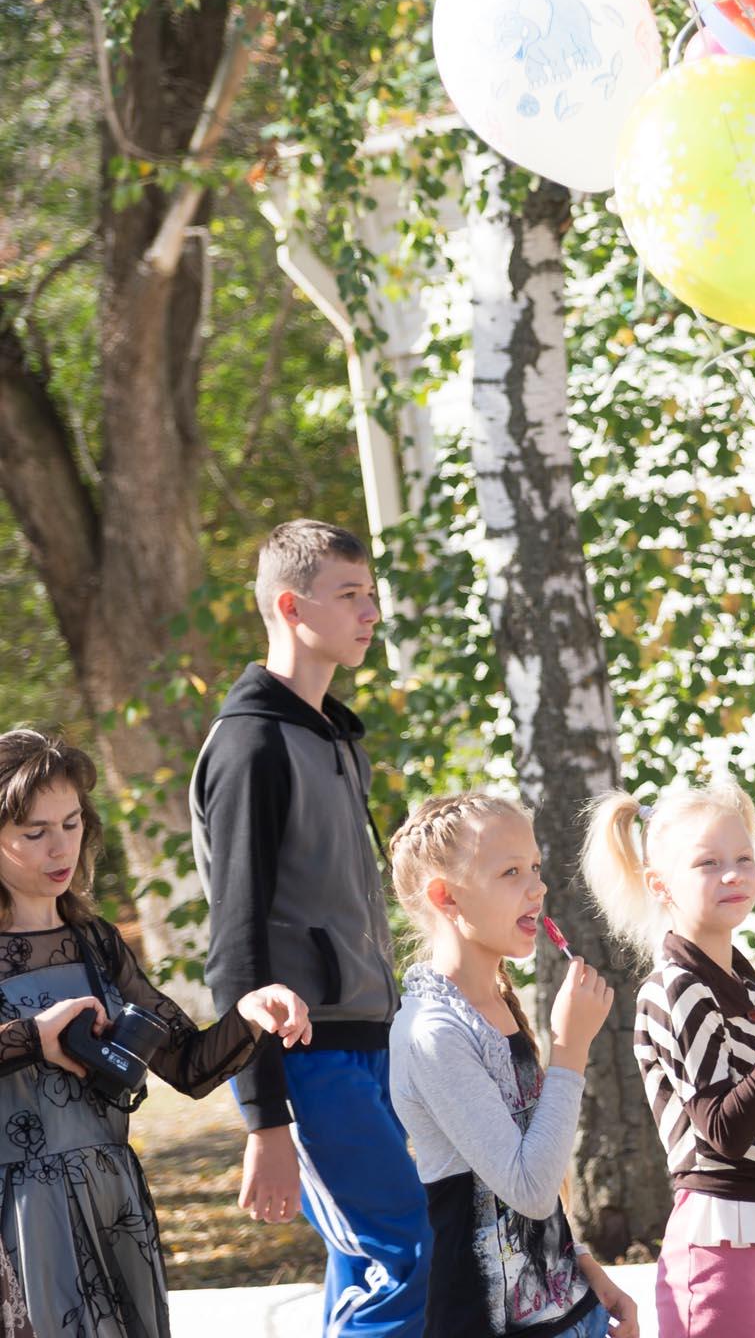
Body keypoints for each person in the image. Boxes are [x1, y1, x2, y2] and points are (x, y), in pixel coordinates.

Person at [188, 519, 429, 1337]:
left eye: (372, 595)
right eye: (351, 596)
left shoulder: (334, 737)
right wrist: (265, 1121)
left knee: (370, 1257)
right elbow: (236, 944)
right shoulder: (251, 746)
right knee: (401, 1250)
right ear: (292, 608)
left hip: (372, 1037)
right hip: (307, 1055)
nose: (371, 613)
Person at [0, 729, 311, 1338]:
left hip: (114, 1202)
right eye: (34, 833)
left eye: (71, 823)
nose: (60, 847)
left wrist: (249, 1011)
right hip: (16, 1216)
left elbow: (190, 1067)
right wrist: (35, 1036)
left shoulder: (98, 943)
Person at [583, 781, 755, 1338]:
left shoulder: (741, 981)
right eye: (708, 863)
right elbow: (725, 1130)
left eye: (743, 858)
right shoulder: (677, 986)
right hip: (722, 1253)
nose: (733, 874)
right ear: (660, 885)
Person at [388, 792, 640, 1338]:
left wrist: (586, 1267)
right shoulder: (433, 1034)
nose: (537, 886)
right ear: (445, 897)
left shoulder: (496, 1004)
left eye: (535, 867)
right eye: (510, 872)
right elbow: (525, 1186)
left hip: (568, 1309)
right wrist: (570, 1049)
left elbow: (538, 1186)